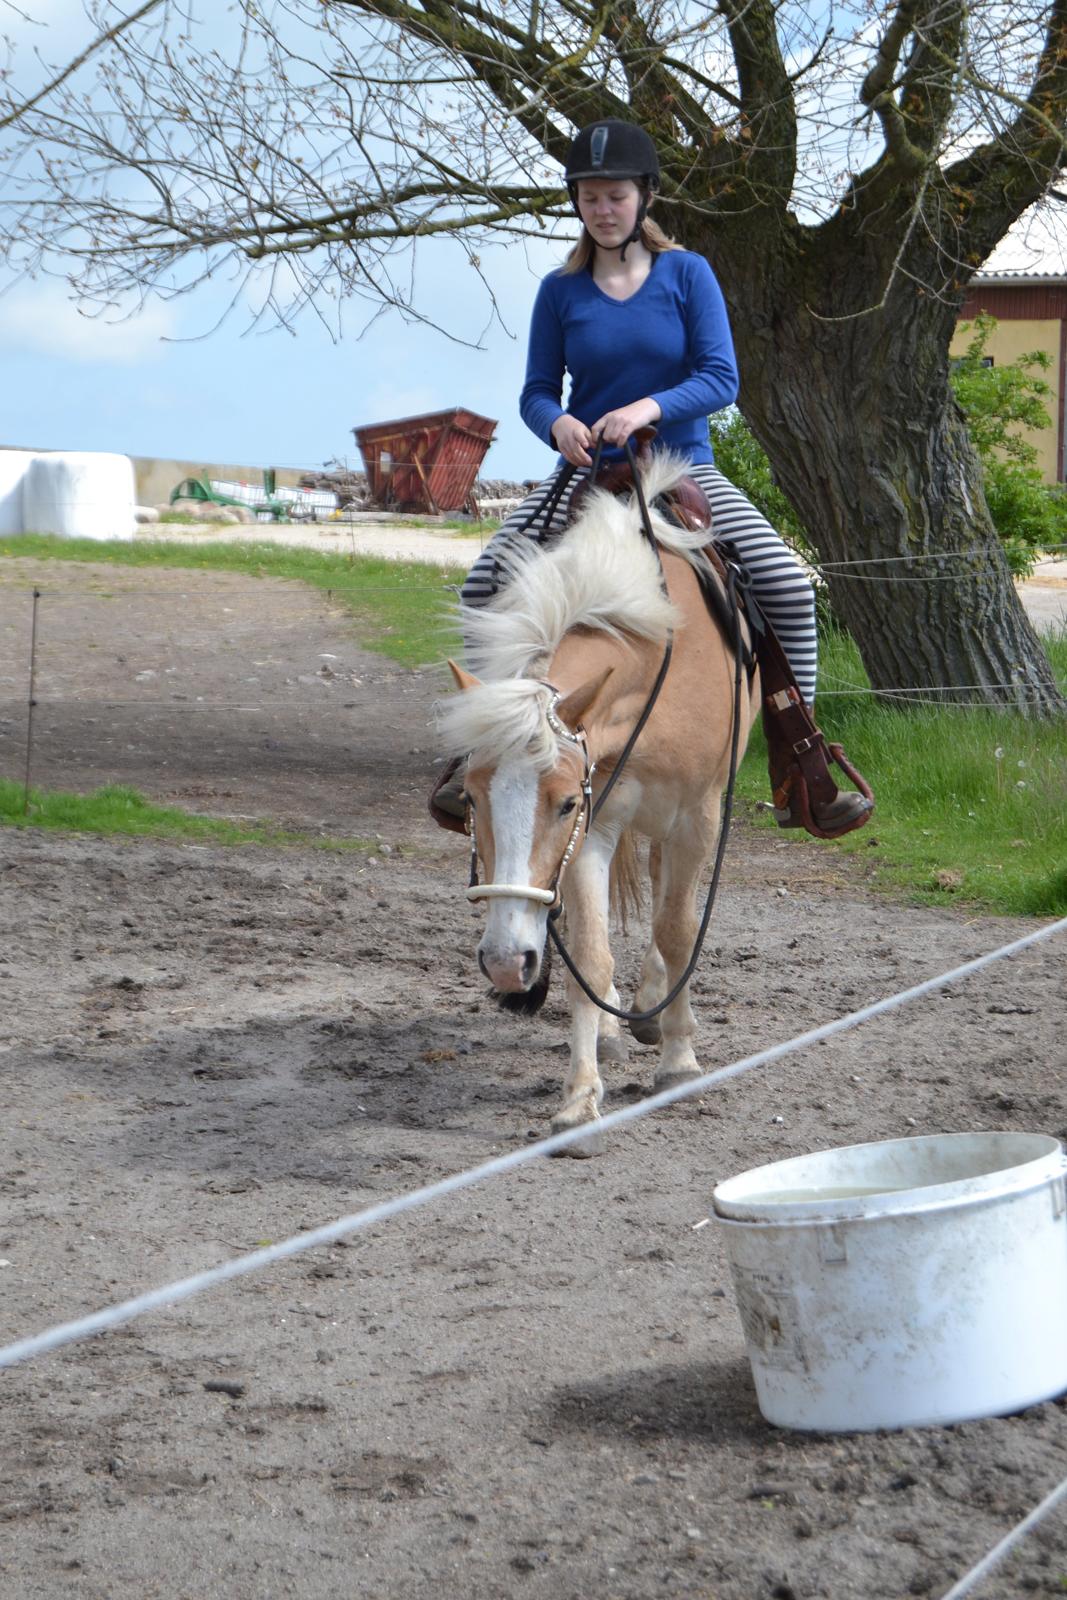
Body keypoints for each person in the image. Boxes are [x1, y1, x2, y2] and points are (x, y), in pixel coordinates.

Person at [434, 118, 872, 837]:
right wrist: (558, 425)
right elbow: (537, 389)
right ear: (577, 202)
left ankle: (802, 762)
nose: (601, 209)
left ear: (643, 198)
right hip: (586, 469)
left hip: (679, 466)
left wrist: (648, 406)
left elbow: (720, 377)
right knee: (484, 585)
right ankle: (481, 755)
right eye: (589, 197)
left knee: (787, 587)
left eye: (614, 196)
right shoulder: (560, 290)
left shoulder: (686, 274)